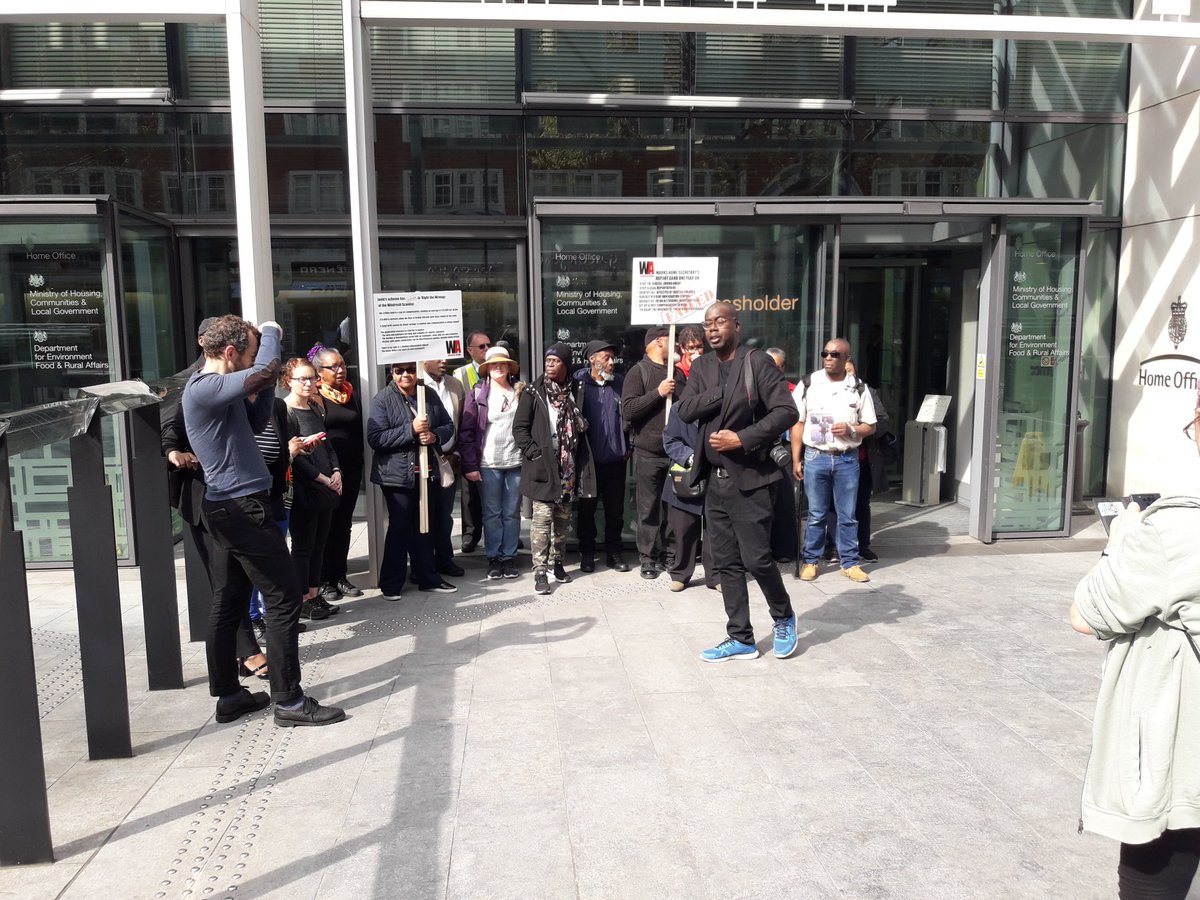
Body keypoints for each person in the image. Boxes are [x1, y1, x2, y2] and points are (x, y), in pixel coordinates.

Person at [183, 315, 344, 727]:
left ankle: (229, 697)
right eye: (250, 354)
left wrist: (258, 383)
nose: (257, 362)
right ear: (231, 353)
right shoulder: (207, 386)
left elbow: (256, 421)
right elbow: (269, 369)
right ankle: (289, 701)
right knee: (284, 597)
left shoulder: (223, 391)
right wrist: (271, 330)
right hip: (240, 509)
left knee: (229, 600)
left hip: (230, 507)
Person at [1069, 494, 1200, 900]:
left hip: (1183, 746)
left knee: (1156, 871)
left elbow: (1086, 615)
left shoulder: (1175, 529)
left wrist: (1119, 542)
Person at [676, 303, 799, 662]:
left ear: (736, 325)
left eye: (719, 322)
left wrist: (741, 439)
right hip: (714, 481)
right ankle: (740, 637)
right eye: (707, 324)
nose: (712, 329)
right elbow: (684, 409)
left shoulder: (756, 362)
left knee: (758, 559)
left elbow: (786, 412)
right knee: (725, 563)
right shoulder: (701, 366)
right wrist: (719, 394)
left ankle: (783, 616)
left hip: (751, 479)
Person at [163, 317, 270, 682]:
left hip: (231, 492)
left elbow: (254, 420)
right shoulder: (198, 384)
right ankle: (249, 658)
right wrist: (172, 450)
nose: (251, 357)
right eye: (248, 350)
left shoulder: (230, 376)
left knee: (232, 590)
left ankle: (229, 685)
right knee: (233, 592)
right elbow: (170, 427)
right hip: (211, 495)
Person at [366, 361, 457, 599]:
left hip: (428, 473)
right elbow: (375, 438)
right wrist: (411, 430)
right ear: (392, 373)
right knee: (400, 527)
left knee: (426, 526)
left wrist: (434, 436)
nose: (406, 375)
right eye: (399, 370)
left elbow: (448, 426)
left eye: (410, 370)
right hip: (397, 476)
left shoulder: (428, 394)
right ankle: (391, 583)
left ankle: (427, 576)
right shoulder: (382, 399)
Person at [513, 342, 596, 596]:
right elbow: (519, 429)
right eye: (547, 360)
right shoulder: (533, 391)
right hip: (542, 464)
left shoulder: (576, 390)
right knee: (541, 519)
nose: (549, 364)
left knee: (562, 518)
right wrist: (535, 453)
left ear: (566, 364)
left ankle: (557, 563)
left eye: (555, 360)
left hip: (568, 463)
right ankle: (540, 570)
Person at [792, 337, 877, 584]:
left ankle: (849, 562)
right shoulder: (809, 383)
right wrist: (795, 459)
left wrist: (852, 430)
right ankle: (811, 561)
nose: (828, 358)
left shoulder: (858, 387)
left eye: (835, 355)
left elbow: (870, 425)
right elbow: (798, 422)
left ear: (846, 358)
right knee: (816, 514)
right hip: (816, 455)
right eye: (825, 353)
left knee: (847, 514)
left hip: (847, 459)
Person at [282, 357, 343, 621]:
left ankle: (315, 595)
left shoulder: (316, 407)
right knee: (304, 546)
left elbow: (327, 445)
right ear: (288, 381)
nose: (308, 383)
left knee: (320, 543)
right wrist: (323, 478)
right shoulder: (285, 412)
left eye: (311, 378)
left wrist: (337, 471)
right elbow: (296, 457)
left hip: (326, 486)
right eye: (302, 379)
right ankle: (301, 599)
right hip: (305, 488)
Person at [622, 324, 685, 579]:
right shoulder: (638, 372)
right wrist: (658, 393)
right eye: (674, 339)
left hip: (675, 453)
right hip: (649, 452)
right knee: (648, 509)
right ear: (660, 341)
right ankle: (648, 557)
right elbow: (629, 410)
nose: (678, 344)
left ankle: (670, 555)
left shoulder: (678, 374)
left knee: (674, 508)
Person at [459, 346, 524, 580]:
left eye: (503, 363)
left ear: (509, 367)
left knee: (511, 513)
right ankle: (494, 557)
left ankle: (509, 557)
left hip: (515, 461)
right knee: (492, 514)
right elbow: (466, 433)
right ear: (486, 369)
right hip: (488, 463)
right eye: (494, 364)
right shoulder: (477, 394)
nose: (499, 367)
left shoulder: (520, 392)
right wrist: (470, 466)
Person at [823, 358, 891, 564]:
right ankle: (833, 547)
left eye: (850, 370)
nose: (846, 374)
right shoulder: (824, 391)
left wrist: (857, 430)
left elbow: (883, 423)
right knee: (833, 506)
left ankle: (862, 546)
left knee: (861, 504)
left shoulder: (866, 392)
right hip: (834, 457)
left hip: (862, 460)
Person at [573, 338, 630, 574]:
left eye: (612, 357)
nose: (611, 362)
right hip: (589, 461)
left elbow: (629, 414)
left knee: (614, 510)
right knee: (586, 509)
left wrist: (630, 445)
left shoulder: (619, 382)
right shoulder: (578, 384)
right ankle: (587, 553)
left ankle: (613, 553)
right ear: (592, 360)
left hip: (616, 458)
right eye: (606, 357)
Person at [312, 346, 365, 602]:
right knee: (326, 527)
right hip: (326, 473)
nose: (340, 370)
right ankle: (323, 580)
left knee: (344, 525)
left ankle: (340, 575)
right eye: (333, 367)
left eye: (342, 364)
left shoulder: (350, 394)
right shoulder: (316, 397)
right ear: (319, 372)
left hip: (352, 469)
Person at [661, 404, 717, 593]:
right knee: (683, 529)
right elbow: (670, 440)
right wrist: (692, 457)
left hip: (715, 474)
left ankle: (716, 574)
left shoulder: (722, 408)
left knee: (716, 528)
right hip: (685, 477)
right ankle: (680, 574)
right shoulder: (679, 408)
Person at [421, 358, 467, 578]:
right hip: (422, 460)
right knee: (422, 516)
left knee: (444, 515)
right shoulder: (416, 383)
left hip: (449, 460)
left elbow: (461, 423)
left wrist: (456, 453)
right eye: (437, 355)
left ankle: (444, 559)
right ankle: (423, 563)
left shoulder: (455, 384)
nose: (444, 360)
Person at [454, 330, 492, 553]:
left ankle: (500, 533)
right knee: (469, 492)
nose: (487, 349)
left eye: (489, 345)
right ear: (470, 351)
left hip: (493, 440)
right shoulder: (460, 374)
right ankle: (470, 533)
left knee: (498, 493)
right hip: (469, 439)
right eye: (482, 346)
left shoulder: (499, 368)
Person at [765, 346, 798, 564]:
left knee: (785, 499)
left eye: (775, 366)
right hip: (760, 447)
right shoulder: (753, 387)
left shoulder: (794, 390)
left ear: (783, 368)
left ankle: (785, 549)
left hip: (784, 447)